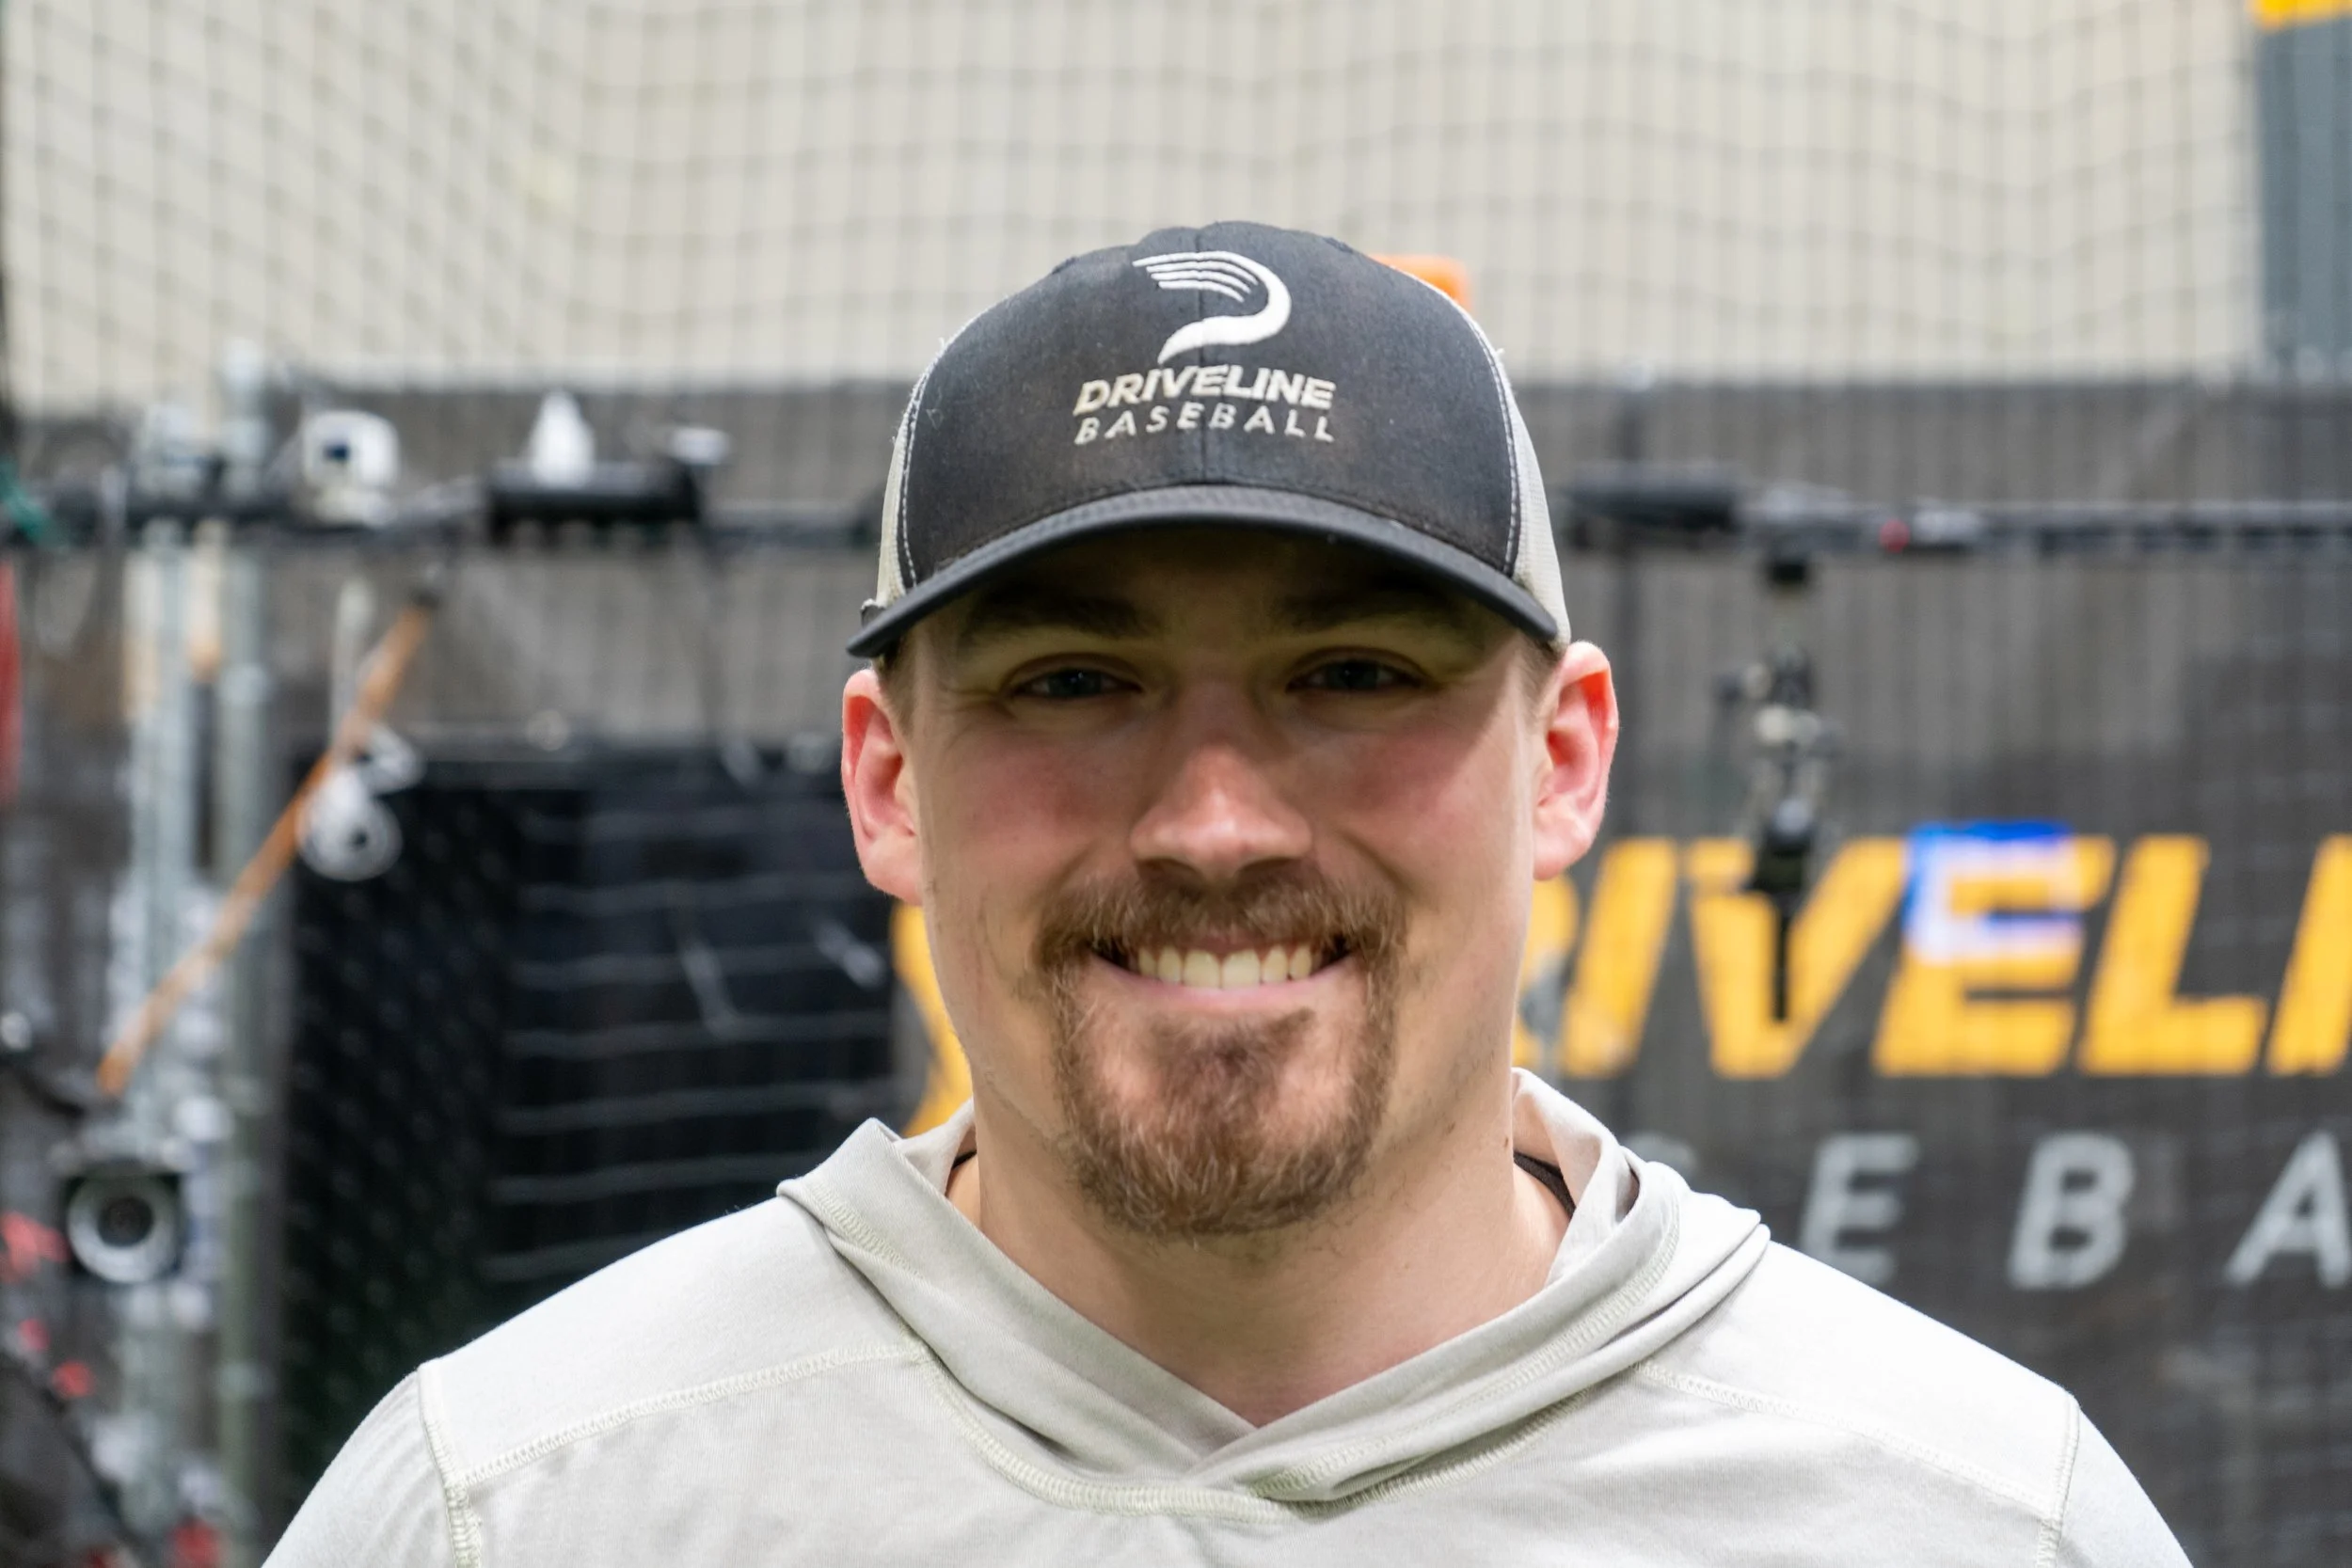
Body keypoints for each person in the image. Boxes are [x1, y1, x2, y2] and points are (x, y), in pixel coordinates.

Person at [271, 222, 2187, 1565]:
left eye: (1350, 672)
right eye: (1070, 682)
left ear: (1564, 758)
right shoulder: (508, 1507)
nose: (1210, 823)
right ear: (886, 780)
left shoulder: (1971, 1518)